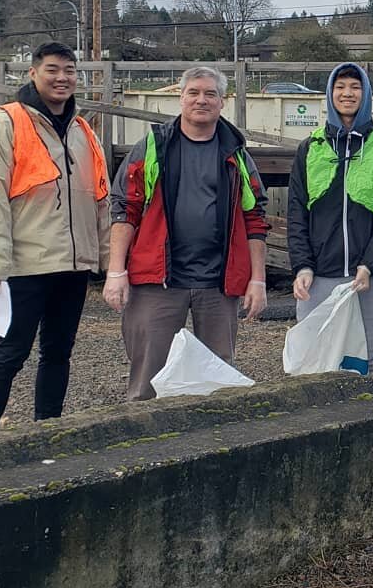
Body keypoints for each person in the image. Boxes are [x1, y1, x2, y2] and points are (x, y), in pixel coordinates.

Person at [104, 66, 269, 400]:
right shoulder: (153, 147)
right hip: (157, 281)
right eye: (193, 92)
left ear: (223, 102)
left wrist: (258, 280)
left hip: (217, 283)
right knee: (148, 377)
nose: (201, 100)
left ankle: (214, 444)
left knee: (218, 378)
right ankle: (143, 445)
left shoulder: (236, 154)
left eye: (210, 94)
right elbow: (126, 209)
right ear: (180, 98)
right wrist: (116, 271)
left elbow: (255, 218)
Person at [0, 41, 110, 427]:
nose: (62, 78)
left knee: (58, 352)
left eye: (69, 71)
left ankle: (47, 428)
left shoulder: (84, 131)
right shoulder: (8, 124)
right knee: (10, 353)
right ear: (33, 72)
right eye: (52, 69)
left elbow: (100, 196)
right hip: (24, 265)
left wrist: (107, 258)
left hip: (73, 263)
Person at [286, 62, 373, 372]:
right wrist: (301, 265)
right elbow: (297, 212)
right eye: (340, 87)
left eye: (355, 87)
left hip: (370, 276)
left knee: (370, 359)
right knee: (315, 360)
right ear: (329, 94)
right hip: (319, 275)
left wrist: (370, 265)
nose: (347, 93)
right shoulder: (310, 147)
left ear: (365, 94)